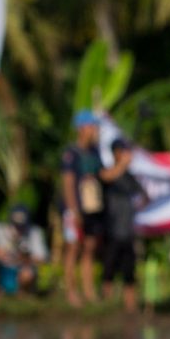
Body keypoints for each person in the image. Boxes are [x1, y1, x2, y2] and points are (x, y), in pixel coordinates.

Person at [60, 112, 107, 307]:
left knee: (90, 248)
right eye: (91, 126)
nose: (94, 130)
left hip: (93, 208)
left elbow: (102, 175)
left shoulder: (95, 152)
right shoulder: (71, 153)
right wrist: (73, 210)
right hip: (75, 208)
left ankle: (88, 292)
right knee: (73, 248)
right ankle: (71, 292)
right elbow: (68, 182)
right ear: (81, 128)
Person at [101, 138, 145, 314]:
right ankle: (106, 306)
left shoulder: (130, 177)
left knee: (129, 271)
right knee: (109, 268)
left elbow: (144, 196)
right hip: (112, 229)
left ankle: (130, 307)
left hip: (128, 230)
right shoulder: (108, 171)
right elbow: (107, 177)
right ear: (116, 152)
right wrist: (123, 164)